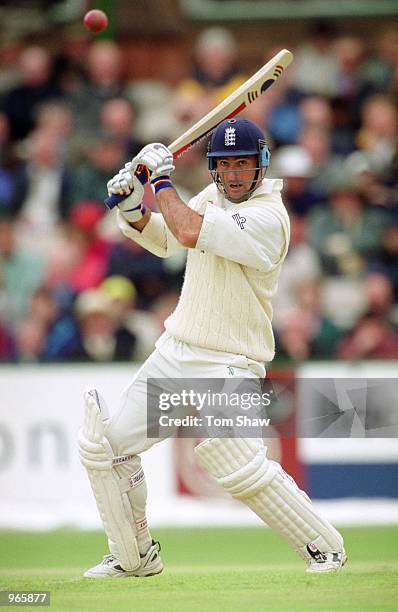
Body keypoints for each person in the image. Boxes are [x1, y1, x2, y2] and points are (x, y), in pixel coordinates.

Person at [78, 118, 346, 578]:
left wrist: (159, 180)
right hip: (177, 353)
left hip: (229, 361)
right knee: (107, 447)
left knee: (237, 462)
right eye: (226, 165)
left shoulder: (269, 217)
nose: (236, 173)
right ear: (214, 170)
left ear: (261, 167)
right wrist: (132, 207)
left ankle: (324, 548)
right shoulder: (209, 198)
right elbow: (164, 237)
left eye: (244, 164)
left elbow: (187, 231)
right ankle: (135, 556)